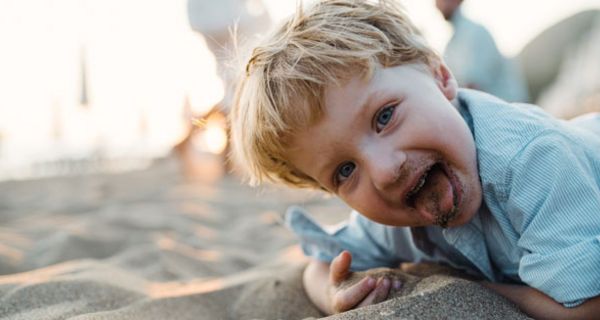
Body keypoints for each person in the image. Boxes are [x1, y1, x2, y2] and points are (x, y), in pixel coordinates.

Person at [230, 0, 600, 318]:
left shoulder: (531, 160)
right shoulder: (393, 216)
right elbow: (321, 262)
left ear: (440, 76)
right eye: (345, 171)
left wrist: (461, 288)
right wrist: (333, 293)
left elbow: (584, 306)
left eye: (385, 117)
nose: (386, 171)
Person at [436, 0, 529, 102]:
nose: (436, 5)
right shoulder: (452, 42)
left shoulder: (474, 32)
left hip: (508, 108)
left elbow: (474, 86)